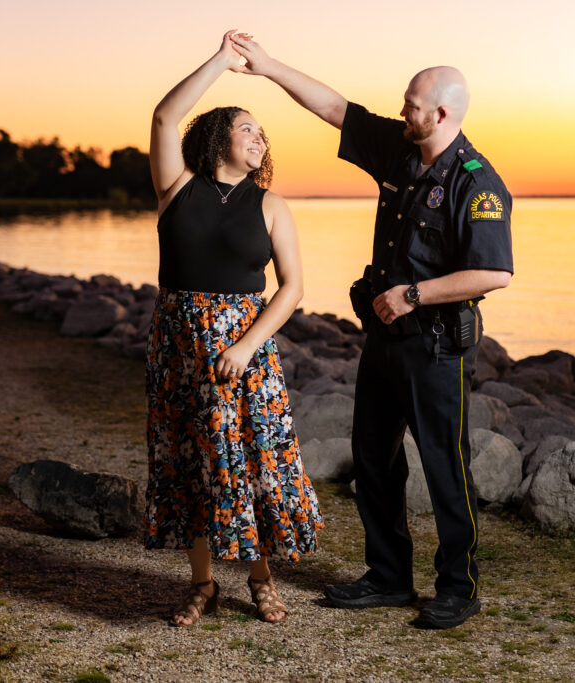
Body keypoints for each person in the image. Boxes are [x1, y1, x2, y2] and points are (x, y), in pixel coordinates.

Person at [231, 35, 513, 629]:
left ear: (440, 113)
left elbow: (495, 272)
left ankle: (458, 589)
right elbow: (338, 109)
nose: (401, 107)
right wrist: (268, 67)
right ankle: (387, 577)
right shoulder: (399, 150)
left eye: (411, 102)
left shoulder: (476, 182)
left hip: (437, 346)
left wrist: (413, 294)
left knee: (445, 466)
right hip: (385, 343)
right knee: (373, 459)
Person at [145, 30, 324, 626]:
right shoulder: (176, 189)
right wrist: (223, 60)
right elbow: (166, 116)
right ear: (220, 136)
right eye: (248, 127)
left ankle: (261, 579)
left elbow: (293, 288)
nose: (260, 138)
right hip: (179, 344)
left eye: (264, 133)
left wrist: (246, 345)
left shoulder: (271, 204)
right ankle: (202, 584)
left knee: (254, 461)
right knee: (190, 459)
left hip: (245, 349)